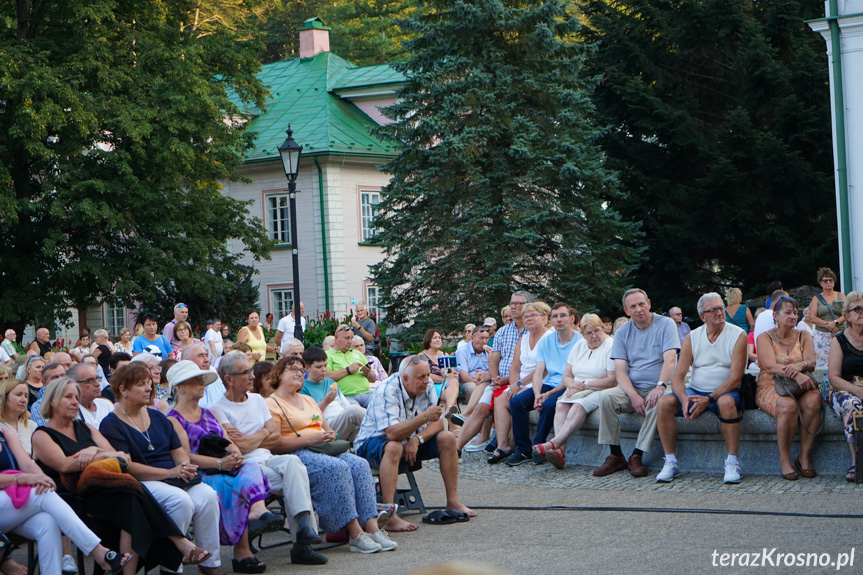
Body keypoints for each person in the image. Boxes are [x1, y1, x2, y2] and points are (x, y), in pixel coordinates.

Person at [32, 377, 195, 574]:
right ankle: (178, 542)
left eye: (76, 397)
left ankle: (134, 565)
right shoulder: (42, 435)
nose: (75, 402)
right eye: (68, 397)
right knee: (131, 496)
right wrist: (101, 454)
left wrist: (92, 451)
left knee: (130, 501)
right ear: (52, 401)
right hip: (73, 497)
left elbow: (121, 456)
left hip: (103, 489)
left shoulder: (86, 428)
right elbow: (65, 465)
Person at [99, 363, 223, 574]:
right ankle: (172, 566)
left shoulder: (157, 417)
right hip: (143, 483)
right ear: (123, 389)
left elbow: (177, 451)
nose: (149, 388)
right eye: (141, 384)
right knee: (180, 501)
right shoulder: (111, 424)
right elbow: (127, 467)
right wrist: (169, 473)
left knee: (208, 496)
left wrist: (184, 466)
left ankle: (210, 563)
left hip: (173, 478)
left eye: (149, 383)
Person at [266, 356, 397, 553]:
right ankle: (354, 533)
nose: (298, 373)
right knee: (337, 468)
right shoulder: (272, 403)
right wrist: (311, 439)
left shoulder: (308, 400)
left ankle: (373, 528)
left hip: (321, 448)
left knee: (360, 464)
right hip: (295, 452)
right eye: (292, 369)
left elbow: (328, 430)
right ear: (278, 374)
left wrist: (329, 436)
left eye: (301, 370)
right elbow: (275, 444)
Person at [208, 352, 326, 565]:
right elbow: (239, 448)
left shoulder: (257, 399)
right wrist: (262, 433)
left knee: (293, 463)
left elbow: (275, 433)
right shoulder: (217, 409)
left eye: (251, 370)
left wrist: (253, 436)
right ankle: (302, 541)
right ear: (229, 379)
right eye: (245, 372)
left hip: (268, 457)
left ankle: (305, 531)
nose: (252, 376)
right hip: (246, 466)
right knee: (295, 478)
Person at [166, 361, 284, 573]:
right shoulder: (174, 419)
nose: (202, 384)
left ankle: (258, 511)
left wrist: (235, 453)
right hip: (200, 471)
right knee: (230, 484)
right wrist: (221, 463)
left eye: (202, 380)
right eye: (195, 380)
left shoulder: (207, 412)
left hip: (223, 465)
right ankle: (241, 552)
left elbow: (226, 439)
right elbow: (185, 458)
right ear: (179, 387)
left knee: (250, 467)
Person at [355, 356, 474, 532]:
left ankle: (453, 501)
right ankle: (389, 514)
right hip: (371, 444)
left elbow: (438, 422)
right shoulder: (387, 389)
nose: (426, 381)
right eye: (421, 377)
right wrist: (424, 418)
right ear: (405, 379)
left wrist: (417, 439)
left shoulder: (425, 385)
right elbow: (392, 433)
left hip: (408, 439)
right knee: (394, 446)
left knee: (447, 438)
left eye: (427, 375)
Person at [0, 426, 132, 575]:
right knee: (42, 494)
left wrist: (43, 479)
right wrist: (22, 478)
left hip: (10, 502)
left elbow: (28, 464)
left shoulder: (4, 432)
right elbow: (25, 474)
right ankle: (98, 550)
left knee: (48, 521)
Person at [655, 293, 747, 484]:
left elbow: (736, 378)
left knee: (726, 402)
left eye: (721, 308)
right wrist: (684, 399)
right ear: (702, 316)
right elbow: (677, 377)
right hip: (695, 389)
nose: (719, 313)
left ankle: (732, 461)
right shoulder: (692, 337)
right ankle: (670, 461)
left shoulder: (738, 334)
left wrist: (709, 399)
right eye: (713, 310)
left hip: (724, 391)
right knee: (664, 403)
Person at [593, 289, 679, 478]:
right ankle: (615, 455)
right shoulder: (623, 332)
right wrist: (633, 395)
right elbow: (620, 370)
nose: (638, 309)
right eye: (633, 306)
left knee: (659, 403)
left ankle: (636, 455)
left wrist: (660, 386)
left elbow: (670, 360)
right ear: (626, 311)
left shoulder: (666, 324)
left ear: (649, 303)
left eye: (641, 304)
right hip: (633, 387)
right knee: (606, 397)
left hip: (659, 385)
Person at [533, 314, 616, 469]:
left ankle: (554, 444)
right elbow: (567, 375)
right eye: (589, 333)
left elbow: (612, 380)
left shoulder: (610, 345)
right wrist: (572, 386)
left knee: (577, 406)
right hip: (577, 388)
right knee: (560, 405)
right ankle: (560, 452)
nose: (594, 336)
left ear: (603, 328)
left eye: (597, 331)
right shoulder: (579, 345)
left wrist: (585, 385)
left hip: (600, 388)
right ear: (583, 334)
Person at [755, 296, 821, 480]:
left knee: (814, 400)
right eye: (787, 312)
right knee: (787, 406)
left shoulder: (803, 335)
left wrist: (800, 367)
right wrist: (796, 373)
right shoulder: (764, 337)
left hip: (799, 385)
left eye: (794, 312)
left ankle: (804, 457)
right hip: (770, 384)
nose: (792, 316)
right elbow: (769, 366)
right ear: (775, 315)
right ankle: (785, 460)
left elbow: (812, 362)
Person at [507, 303, 581, 466]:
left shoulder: (579, 341)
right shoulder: (546, 341)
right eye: (555, 316)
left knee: (548, 405)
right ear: (551, 319)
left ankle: (539, 446)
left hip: (568, 385)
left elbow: (573, 375)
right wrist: (537, 393)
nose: (559, 320)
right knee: (516, 402)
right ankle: (522, 449)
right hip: (547, 383)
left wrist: (546, 395)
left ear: (571, 318)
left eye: (563, 316)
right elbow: (539, 372)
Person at [485, 302, 551, 464]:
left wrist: (519, 385)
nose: (528, 319)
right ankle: (502, 445)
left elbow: (544, 369)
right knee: (501, 398)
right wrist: (513, 385)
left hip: (541, 381)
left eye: (532, 315)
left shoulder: (549, 336)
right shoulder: (524, 338)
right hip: (520, 382)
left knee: (514, 400)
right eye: (525, 316)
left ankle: (520, 446)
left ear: (544, 317)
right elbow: (515, 366)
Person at [826, 291, 863, 482]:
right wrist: (857, 390)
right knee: (853, 405)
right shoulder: (839, 340)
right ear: (847, 316)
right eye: (857, 309)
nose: (862, 312)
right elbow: (833, 377)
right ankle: (858, 462)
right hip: (844, 389)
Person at [301, 347, 366, 442]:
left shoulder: (330, 382)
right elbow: (311, 416)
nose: (324, 370)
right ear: (307, 368)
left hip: (345, 424)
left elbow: (346, 405)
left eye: (325, 365)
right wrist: (326, 402)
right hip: (327, 426)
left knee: (365, 433)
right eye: (319, 367)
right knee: (354, 410)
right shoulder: (304, 388)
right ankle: (384, 427)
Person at [326, 325, 376, 407]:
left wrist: (368, 373)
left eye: (351, 338)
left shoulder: (357, 353)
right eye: (346, 338)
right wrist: (348, 370)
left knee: (382, 405)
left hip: (367, 394)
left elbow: (373, 379)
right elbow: (326, 377)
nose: (350, 341)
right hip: (346, 396)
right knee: (356, 412)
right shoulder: (328, 355)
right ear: (336, 337)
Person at [808, 267, 846, 369]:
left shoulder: (841, 296)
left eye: (831, 280)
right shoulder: (816, 299)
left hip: (840, 332)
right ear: (821, 283)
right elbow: (812, 317)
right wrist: (828, 325)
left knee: (842, 361)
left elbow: (847, 314)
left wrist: (836, 323)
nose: (828, 283)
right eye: (825, 280)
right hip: (822, 335)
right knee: (822, 363)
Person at [418, 330, 459, 417]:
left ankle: (449, 408)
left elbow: (453, 373)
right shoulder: (422, 356)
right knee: (451, 397)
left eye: (439, 338)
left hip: (447, 385)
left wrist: (448, 374)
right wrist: (443, 378)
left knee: (454, 383)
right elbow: (424, 375)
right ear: (428, 340)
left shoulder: (445, 355)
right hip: (431, 386)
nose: (438, 340)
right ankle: (454, 427)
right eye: (435, 338)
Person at [454, 325, 491, 417]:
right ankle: (472, 417)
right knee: (472, 387)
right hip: (470, 381)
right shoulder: (462, 351)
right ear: (472, 338)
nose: (484, 341)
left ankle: (475, 418)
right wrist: (477, 380)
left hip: (487, 380)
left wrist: (492, 358)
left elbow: (495, 372)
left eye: (486, 338)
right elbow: (464, 377)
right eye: (481, 338)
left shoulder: (490, 351)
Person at [68, 363, 114, 428]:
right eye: (90, 381)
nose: (97, 384)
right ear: (74, 384)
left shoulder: (106, 405)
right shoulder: (71, 411)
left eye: (97, 378)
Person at [182, 343, 226, 409]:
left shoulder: (216, 383)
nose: (207, 360)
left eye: (206, 355)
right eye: (200, 356)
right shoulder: (182, 389)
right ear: (187, 361)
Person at [1, 379, 38, 455]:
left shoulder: (32, 425)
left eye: (26, 396)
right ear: (5, 397)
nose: (23, 400)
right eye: (18, 395)